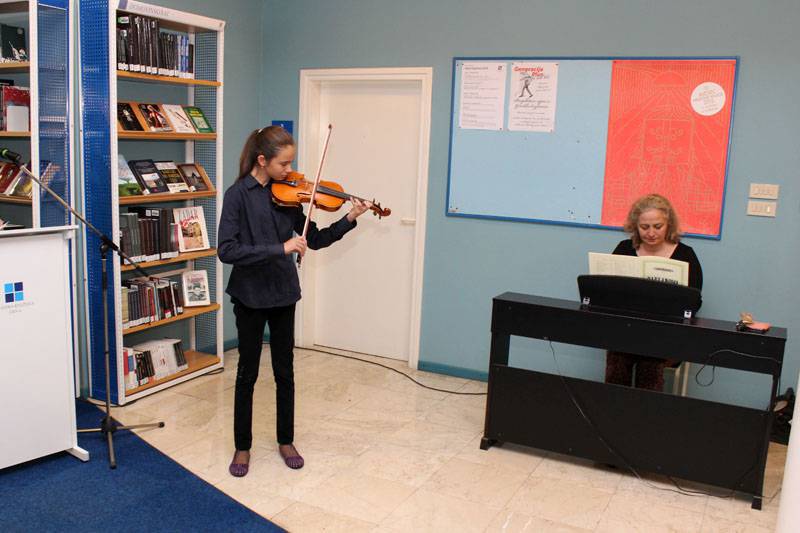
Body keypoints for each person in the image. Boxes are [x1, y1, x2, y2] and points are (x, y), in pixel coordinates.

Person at [218, 126, 371, 476]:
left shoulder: (288, 196)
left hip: (283, 293)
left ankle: (285, 440)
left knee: (284, 372)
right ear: (262, 160)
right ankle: (242, 447)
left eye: (291, 163)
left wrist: (349, 217)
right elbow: (227, 250)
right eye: (284, 164)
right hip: (249, 295)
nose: (290, 171)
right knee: (247, 374)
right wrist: (280, 248)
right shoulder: (237, 195)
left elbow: (314, 239)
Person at [604, 193, 703, 391]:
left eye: (658, 226)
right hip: (627, 330)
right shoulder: (624, 249)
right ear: (635, 226)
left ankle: (646, 408)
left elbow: (694, 301)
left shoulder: (685, 254)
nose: (651, 233)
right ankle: (614, 406)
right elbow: (608, 291)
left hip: (665, 334)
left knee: (651, 362)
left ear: (669, 225)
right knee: (618, 360)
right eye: (644, 227)